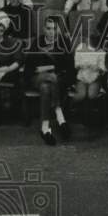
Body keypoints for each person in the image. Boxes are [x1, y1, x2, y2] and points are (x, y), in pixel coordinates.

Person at [27, 16, 72, 145]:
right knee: (52, 78)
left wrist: (49, 67)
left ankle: (45, 128)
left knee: (46, 87)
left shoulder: (64, 42)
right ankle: (60, 116)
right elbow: (31, 66)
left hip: (55, 80)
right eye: (48, 28)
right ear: (43, 29)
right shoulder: (38, 42)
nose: (51, 32)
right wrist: (48, 69)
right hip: (37, 77)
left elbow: (69, 65)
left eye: (54, 29)